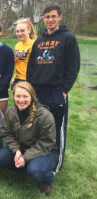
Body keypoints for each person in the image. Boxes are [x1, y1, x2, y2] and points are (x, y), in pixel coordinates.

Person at [26, 5, 80, 172]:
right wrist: (29, 88)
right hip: (38, 92)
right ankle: (34, 160)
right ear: (43, 18)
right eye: (47, 17)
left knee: (56, 130)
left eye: (53, 16)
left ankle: (54, 168)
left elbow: (73, 66)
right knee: (36, 128)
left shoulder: (68, 38)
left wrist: (64, 89)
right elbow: (32, 65)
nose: (50, 20)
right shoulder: (39, 41)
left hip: (56, 92)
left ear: (60, 17)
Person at [0, 81, 57, 196]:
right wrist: (17, 151)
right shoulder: (11, 112)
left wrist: (25, 157)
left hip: (44, 152)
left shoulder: (45, 116)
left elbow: (46, 143)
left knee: (35, 171)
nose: (21, 100)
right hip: (21, 148)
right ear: (13, 97)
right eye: (18, 96)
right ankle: (21, 170)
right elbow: (7, 134)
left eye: (25, 96)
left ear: (32, 97)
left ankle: (48, 179)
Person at [12, 18, 37, 88]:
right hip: (17, 80)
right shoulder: (17, 45)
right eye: (17, 31)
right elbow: (18, 63)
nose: (19, 33)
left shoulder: (35, 44)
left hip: (29, 80)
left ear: (29, 30)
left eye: (22, 31)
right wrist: (14, 77)